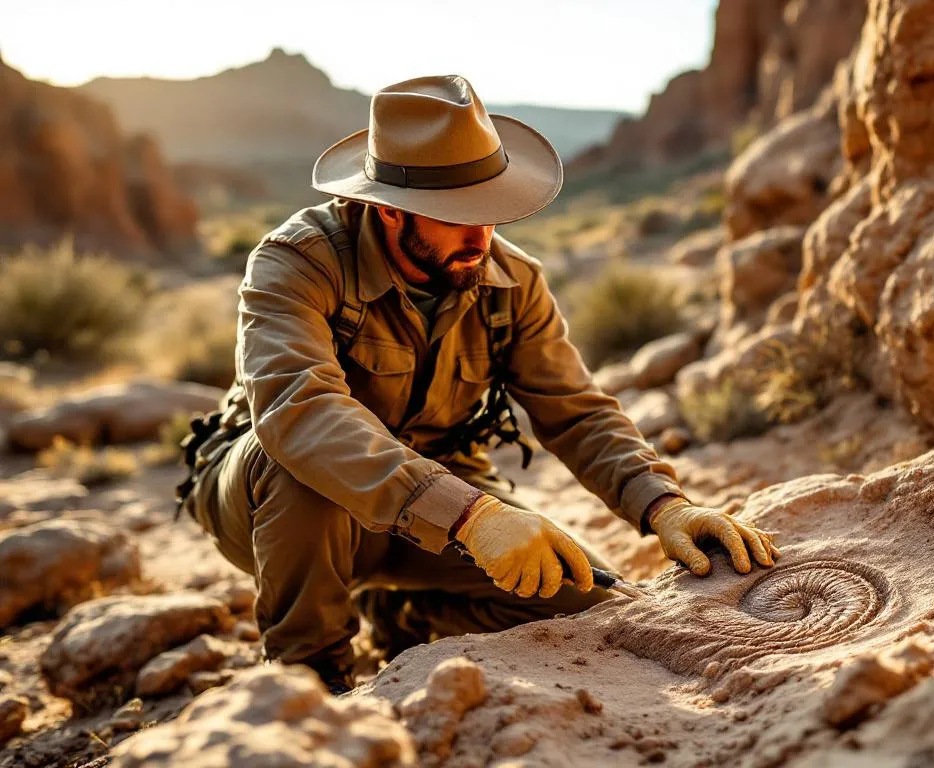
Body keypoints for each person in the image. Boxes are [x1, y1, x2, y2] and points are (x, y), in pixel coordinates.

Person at [177, 75, 780, 692]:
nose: (481, 236)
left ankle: (405, 613)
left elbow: (577, 413)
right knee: (300, 463)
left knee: (583, 604)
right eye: (458, 216)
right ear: (389, 208)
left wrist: (663, 505)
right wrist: (471, 517)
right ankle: (309, 680)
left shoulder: (514, 280)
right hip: (276, 509)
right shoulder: (296, 262)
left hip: (438, 505)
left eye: (491, 209)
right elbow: (300, 413)